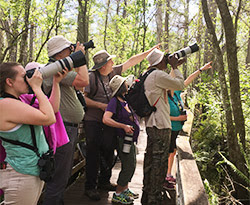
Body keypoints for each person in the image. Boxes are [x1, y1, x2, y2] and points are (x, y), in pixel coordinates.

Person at [83, 45, 160, 201]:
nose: (113, 62)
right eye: (110, 61)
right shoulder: (91, 77)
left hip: (110, 123)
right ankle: (90, 187)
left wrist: (149, 51)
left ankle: (104, 181)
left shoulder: (113, 72)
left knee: (109, 151)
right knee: (93, 153)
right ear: (103, 65)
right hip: (93, 121)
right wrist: (101, 106)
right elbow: (83, 98)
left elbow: (131, 61)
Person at [0, 62, 67, 205]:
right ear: (9, 82)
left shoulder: (18, 100)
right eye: (24, 76)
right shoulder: (5, 105)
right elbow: (49, 118)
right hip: (20, 175)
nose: (28, 79)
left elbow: (52, 108)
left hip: (29, 170)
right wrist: (37, 87)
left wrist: (56, 82)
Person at [42, 35, 89, 205]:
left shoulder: (59, 70)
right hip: (63, 129)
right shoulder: (53, 69)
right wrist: (80, 57)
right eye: (69, 49)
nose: (71, 52)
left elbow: (81, 84)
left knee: (62, 176)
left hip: (68, 128)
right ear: (60, 54)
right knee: (58, 178)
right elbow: (84, 81)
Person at [141, 48, 186, 205]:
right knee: (159, 163)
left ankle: (146, 195)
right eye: (164, 59)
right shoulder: (158, 75)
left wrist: (172, 67)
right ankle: (154, 199)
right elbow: (180, 84)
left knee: (150, 161)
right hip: (160, 125)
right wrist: (175, 67)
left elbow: (168, 85)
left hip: (152, 124)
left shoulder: (148, 75)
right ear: (160, 61)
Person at [164, 61, 213, 190]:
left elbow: (189, 79)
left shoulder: (177, 92)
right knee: (168, 152)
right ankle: (166, 175)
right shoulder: (165, 96)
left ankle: (168, 173)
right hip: (167, 129)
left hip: (176, 129)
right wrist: (178, 118)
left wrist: (201, 69)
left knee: (173, 152)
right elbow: (160, 115)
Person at [102, 75, 140, 204]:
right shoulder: (114, 102)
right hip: (122, 139)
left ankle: (125, 189)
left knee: (132, 164)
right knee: (128, 166)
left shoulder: (124, 100)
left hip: (130, 139)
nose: (127, 84)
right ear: (120, 87)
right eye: (124, 83)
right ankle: (118, 193)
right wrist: (123, 126)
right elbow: (106, 119)